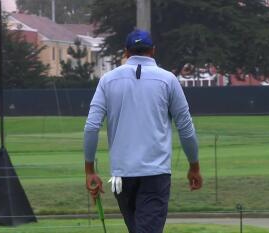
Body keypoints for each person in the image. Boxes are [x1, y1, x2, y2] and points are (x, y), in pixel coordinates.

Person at [83, 29, 203, 233]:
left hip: (121, 176)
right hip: (156, 173)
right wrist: (194, 166)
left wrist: (89, 170)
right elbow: (185, 128)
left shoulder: (108, 80)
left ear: (126, 53)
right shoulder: (168, 80)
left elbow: (92, 127)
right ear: (153, 51)